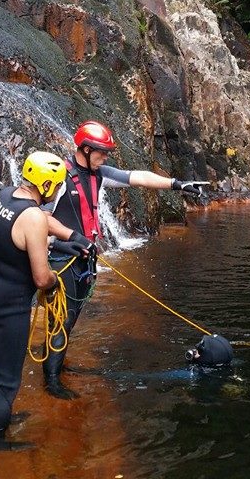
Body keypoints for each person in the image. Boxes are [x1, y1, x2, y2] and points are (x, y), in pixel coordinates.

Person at [44, 120, 207, 399]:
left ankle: (58, 364)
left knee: (72, 318)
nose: (106, 157)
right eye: (101, 152)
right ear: (84, 149)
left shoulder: (99, 174)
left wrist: (177, 184)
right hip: (63, 259)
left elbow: (137, 177)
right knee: (62, 319)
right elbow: (40, 217)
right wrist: (66, 240)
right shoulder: (60, 176)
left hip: (86, 260)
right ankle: (51, 382)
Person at [0, 150, 76, 450]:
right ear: (45, 185)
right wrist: (55, 281)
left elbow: (20, 235)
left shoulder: (5, 196)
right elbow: (41, 277)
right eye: (57, 186)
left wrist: (65, 240)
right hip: (12, 304)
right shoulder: (32, 216)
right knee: (8, 379)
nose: (58, 191)